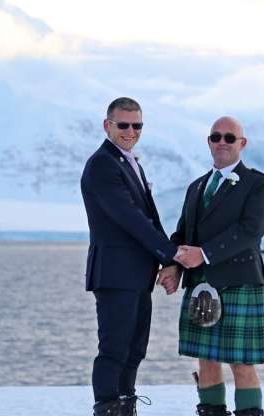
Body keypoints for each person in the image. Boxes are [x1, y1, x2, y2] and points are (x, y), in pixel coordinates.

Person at [80, 97, 200, 416]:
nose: (131, 131)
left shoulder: (128, 161)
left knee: (134, 350)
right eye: (123, 125)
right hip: (115, 275)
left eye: (137, 125)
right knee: (113, 350)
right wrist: (172, 252)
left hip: (137, 275)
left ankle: (125, 405)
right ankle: (108, 409)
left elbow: (148, 217)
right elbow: (128, 217)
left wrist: (169, 261)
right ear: (107, 125)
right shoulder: (102, 164)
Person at [157, 116, 264, 416]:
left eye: (229, 137)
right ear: (209, 142)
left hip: (239, 282)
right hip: (201, 285)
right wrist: (173, 266)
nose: (222, 142)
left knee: (241, 362)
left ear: (242, 143)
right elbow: (183, 233)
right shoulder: (196, 187)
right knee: (206, 360)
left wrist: (204, 254)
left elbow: (251, 230)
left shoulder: (256, 183)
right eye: (216, 137)